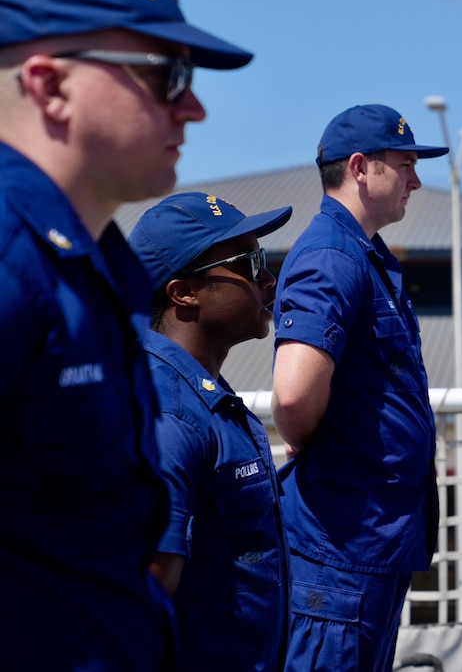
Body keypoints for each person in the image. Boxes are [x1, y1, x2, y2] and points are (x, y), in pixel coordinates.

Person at [0, 0, 251, 668]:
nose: (194, 106)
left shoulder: (95, 256)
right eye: (167, 75)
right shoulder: (15, 257)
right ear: (50, 86)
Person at [272, 104, 447, 671]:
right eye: (404, 164)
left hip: (364, 541)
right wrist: (309, 436)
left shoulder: (358, 255)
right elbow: (294, 395)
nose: (416, 180)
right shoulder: (332, 256)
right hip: (341, 547)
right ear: (359, 167)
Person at [128, 193, 293, 671]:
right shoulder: (167, 412)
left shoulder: (200, 394)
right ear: (184, 292)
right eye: (250, 262)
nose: (269, 279)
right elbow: (146, 588)